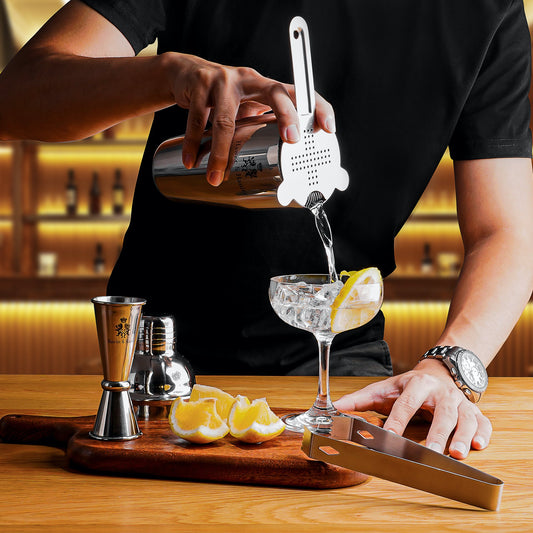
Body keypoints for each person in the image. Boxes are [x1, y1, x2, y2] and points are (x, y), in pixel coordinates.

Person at [1, 0, 532, 461]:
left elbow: (506, 232)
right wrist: (168, 76)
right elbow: (17, 97)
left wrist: (451, 366)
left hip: (342, 369)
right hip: (158, 365)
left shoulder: (489, 10)